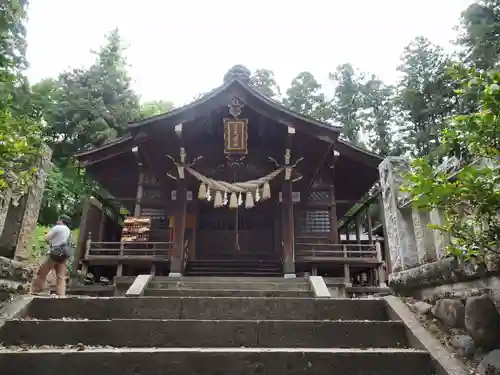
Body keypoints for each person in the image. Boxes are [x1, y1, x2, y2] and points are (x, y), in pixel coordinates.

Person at [30, 215, 72, 297]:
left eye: (58, 220)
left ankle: (35, 290)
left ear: (61, 221)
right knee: (61, 276)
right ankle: (61, 295)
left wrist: (51, 243)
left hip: (55, 253)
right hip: (64, 254)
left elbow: (46, 238)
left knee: (42, 272)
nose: (57, 221)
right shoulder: (68, 230)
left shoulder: (57, 227)